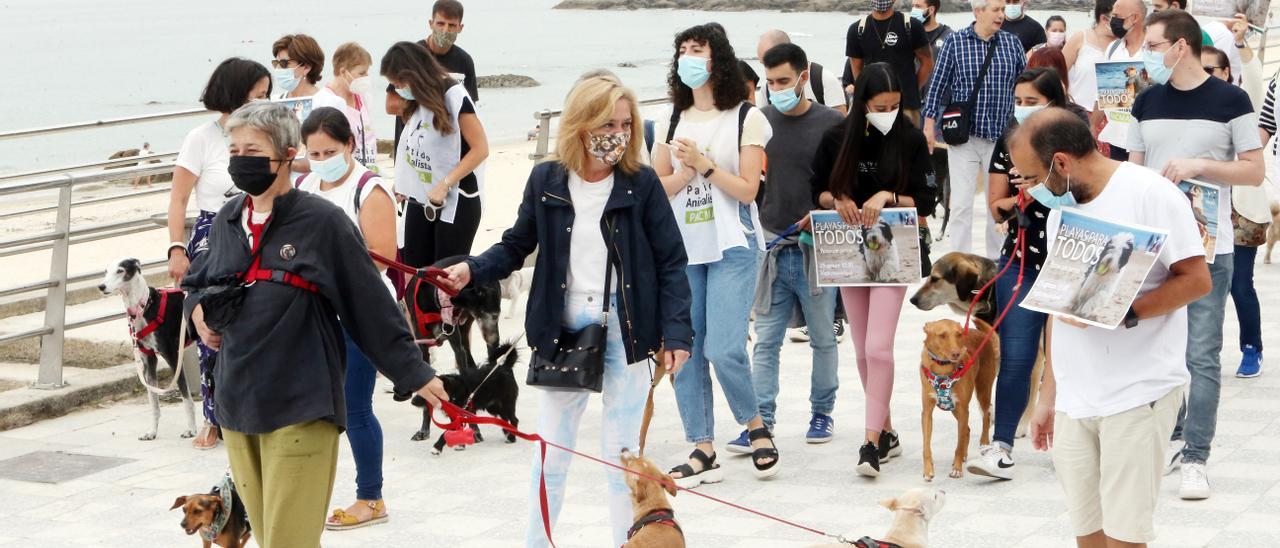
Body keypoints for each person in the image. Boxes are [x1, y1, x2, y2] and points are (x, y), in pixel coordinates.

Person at [439, 76, 693, 548]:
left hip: (628, 325)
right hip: (561, 326)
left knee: (622, 459)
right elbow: (517, 244)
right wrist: (472, 269)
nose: (617, 133)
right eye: (606, 123)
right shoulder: (547, 179)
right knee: (552, 455)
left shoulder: (641, 183)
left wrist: (678, 335)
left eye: (625, 123)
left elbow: (672, 261)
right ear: (580, 124)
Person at [182, 101, 448, 548]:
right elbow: (196, 283)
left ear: (288, 153)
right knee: (270, 538)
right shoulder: (228, 220)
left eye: (252, 148)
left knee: (289, 543)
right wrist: (198, 312)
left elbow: (368, 303)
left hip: (302, 404)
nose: (239, 159)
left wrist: (416, 373)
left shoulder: (323, 223)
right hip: (239, 404)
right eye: (234, 149)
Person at [1021, 108, 1211, 548]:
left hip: (1137, 392)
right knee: (1088, 534)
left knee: (1125, 538)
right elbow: (1058, 304)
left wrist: (1126, 312)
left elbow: (1196, 279)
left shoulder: (1152, 194)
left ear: (1061, 163)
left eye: (1033, 176)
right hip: (1075, 396)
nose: (1029, 189)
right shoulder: (1061, 210)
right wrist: (1049, 394)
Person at [1127, 8, 1265, 500]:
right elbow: (1134, 171)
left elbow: (1253, 172)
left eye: (1154, 45)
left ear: (1180, 46)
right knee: (1157, 348)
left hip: (1211, 246)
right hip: (1157, 248)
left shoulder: (1232, 99)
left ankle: (1196, 456)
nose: (1148, 54)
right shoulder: (1145, 100)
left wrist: (1198, 166)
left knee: (1201, 352)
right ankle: (1172, 434)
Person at [651, 24, 776, 486]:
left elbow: (747, 190)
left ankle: (754, 424)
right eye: (681, 50)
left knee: (724, 347)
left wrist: (705, 165)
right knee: (684, 350)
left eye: (696, 50)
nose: (687, 57)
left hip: (732, 245)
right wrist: (685, 174)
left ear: (716, 58)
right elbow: (656, 188)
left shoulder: (747, 117)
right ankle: (701, 446)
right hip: (683, 249)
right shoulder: (671, 118)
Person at [811, 62, 936, 477]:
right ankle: (884, 430)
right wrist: (837, 200)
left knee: (879, 347)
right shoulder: (836, 137)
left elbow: (927, 199)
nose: (888, 112)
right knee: (863, 347)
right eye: (880, 106)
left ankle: (869, 443)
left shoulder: (911, 138)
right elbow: (819, 189)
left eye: (895, 105)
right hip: (847, 251)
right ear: (861, 102)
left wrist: (889, 194)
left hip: (894, 249)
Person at [969, 67, 1084, 481]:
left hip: (1071, 260)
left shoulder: (1076, 134)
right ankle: (1001, 446)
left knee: (1068, 356)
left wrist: (1046, 185)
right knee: (1016, 356)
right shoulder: (1010, 140)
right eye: (1018, 100)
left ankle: (1069, 443)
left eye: (1033, 101)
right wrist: (1019, 194)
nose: (1023, 108)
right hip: (1020, 260)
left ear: (1055, 100)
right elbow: (995, 203)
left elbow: (1088, 194)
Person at [292, 107, 399, 531]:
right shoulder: (302, 185)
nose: (320, 159)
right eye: (313, 152)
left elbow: (383, 259)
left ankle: (371, 497)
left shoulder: (370, 190)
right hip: (310, 312)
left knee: (354, 407)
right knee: (307, 407)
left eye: (329, 151)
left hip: (357, 311)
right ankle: (304, 491)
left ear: (351, 145)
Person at [166, 58, 272, 450]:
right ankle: (213, 417)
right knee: (211, 326)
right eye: (256, 94)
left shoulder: (264, 133)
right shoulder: (202, 138)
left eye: (265, 95)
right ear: (234, 92)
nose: (262, 101)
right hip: (213, 234)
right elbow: (178, 198)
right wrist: (177, 247)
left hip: (258, 229)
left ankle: (256, 409)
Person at [751, 43, 846, 447]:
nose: (776, 89)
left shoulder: (831, 123)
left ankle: (822, 413)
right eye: (770, 82)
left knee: (823, 336)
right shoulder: (759, 121)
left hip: (817, 246)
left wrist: (823, 212)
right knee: (766, 341)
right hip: (772, 244)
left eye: (784, 81)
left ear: (804, 77)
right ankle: (761, 421)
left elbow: (843, 186)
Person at [923, 0, 1026, 258]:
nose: (1002, 15)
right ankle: (959, 261)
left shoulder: (1012, 44)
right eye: (996, 10)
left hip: (1002, 138)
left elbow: (1024, 86)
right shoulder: (955, 43)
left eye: (1003, 10)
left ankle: (995, 261)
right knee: (960, 205)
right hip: (964, 137)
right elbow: (936, 86)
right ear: (978, 11)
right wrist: (928, 126)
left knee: (997, 205)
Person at [382, 41, 489, 269]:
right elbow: (415, 147)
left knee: (445, 280)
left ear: (415, 73)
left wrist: (445, 183)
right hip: (420, 197)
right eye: (392, 83)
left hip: (457, 197)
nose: (397, 87)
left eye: (398, 82)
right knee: (415, 273)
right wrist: (403, 181)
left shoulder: (453, 93)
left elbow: (481, 149)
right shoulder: (416, 99)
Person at [1204, 45, 1269, 381]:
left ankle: (1251, 347)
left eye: (1212, 70)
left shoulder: (1240, 101)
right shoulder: (1189, 105)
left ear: (1227, 72)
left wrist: (1243, 47)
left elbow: (1256, 85)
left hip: (1241, 209)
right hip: (1202, 210)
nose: (1205, 75)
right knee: (1198, 286)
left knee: (1241, 284)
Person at [393, 0, 479, 155]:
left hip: (447, 152)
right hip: (412, 151)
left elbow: (470, 110)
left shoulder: (464, 61)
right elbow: (391, 105)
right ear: (430, 23)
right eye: (440, 23)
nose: (445, 30)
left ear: (460, 28)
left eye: (452, 25)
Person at [847, 0, 932, 120]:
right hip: (874, 108)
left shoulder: (912, 26)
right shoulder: (857, 30)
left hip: (907, 107)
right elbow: (857, 71)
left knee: (909, 138)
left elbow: (927, 63)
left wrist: (911, 88)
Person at [311, 43, 378, 168]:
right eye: (362, 73)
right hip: (344, 171)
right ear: (343, 72)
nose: (366, 77)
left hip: (367, 169)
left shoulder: (363, 97)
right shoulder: (325, 101)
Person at [1096, 0, 1146, 161]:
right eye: (1112, 16)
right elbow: (1102, 91)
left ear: (1135, 18)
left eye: (1117, 16)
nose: (1113, 21)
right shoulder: (1113, 49)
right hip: (1117, 139)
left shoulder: (1153, 49)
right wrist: (1091, 124)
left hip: (1145, 141)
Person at [1152, 0, 1244, 85]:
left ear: (1175, 6)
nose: (1154, 13)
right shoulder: (1167, 36)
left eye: (1158, 7)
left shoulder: (1199, 39)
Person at [756, 29, 848, 114]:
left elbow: (841, 123)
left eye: (771, 60)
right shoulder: (766, 89)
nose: (768, 67)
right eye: (763, 63)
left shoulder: (823, 79)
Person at [1063, 0, 1117, 134]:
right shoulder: (1081, 38)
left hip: (1113, 119)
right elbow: (1057, 75)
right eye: (1118, 18)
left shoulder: (1124, 45)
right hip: (1078, 115)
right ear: (1104, 18)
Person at [271, 34, 323, 99]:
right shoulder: (275, 101)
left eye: (284, 63)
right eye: (276, 63)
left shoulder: (326, 102)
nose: (278, 68)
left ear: (306, 68)